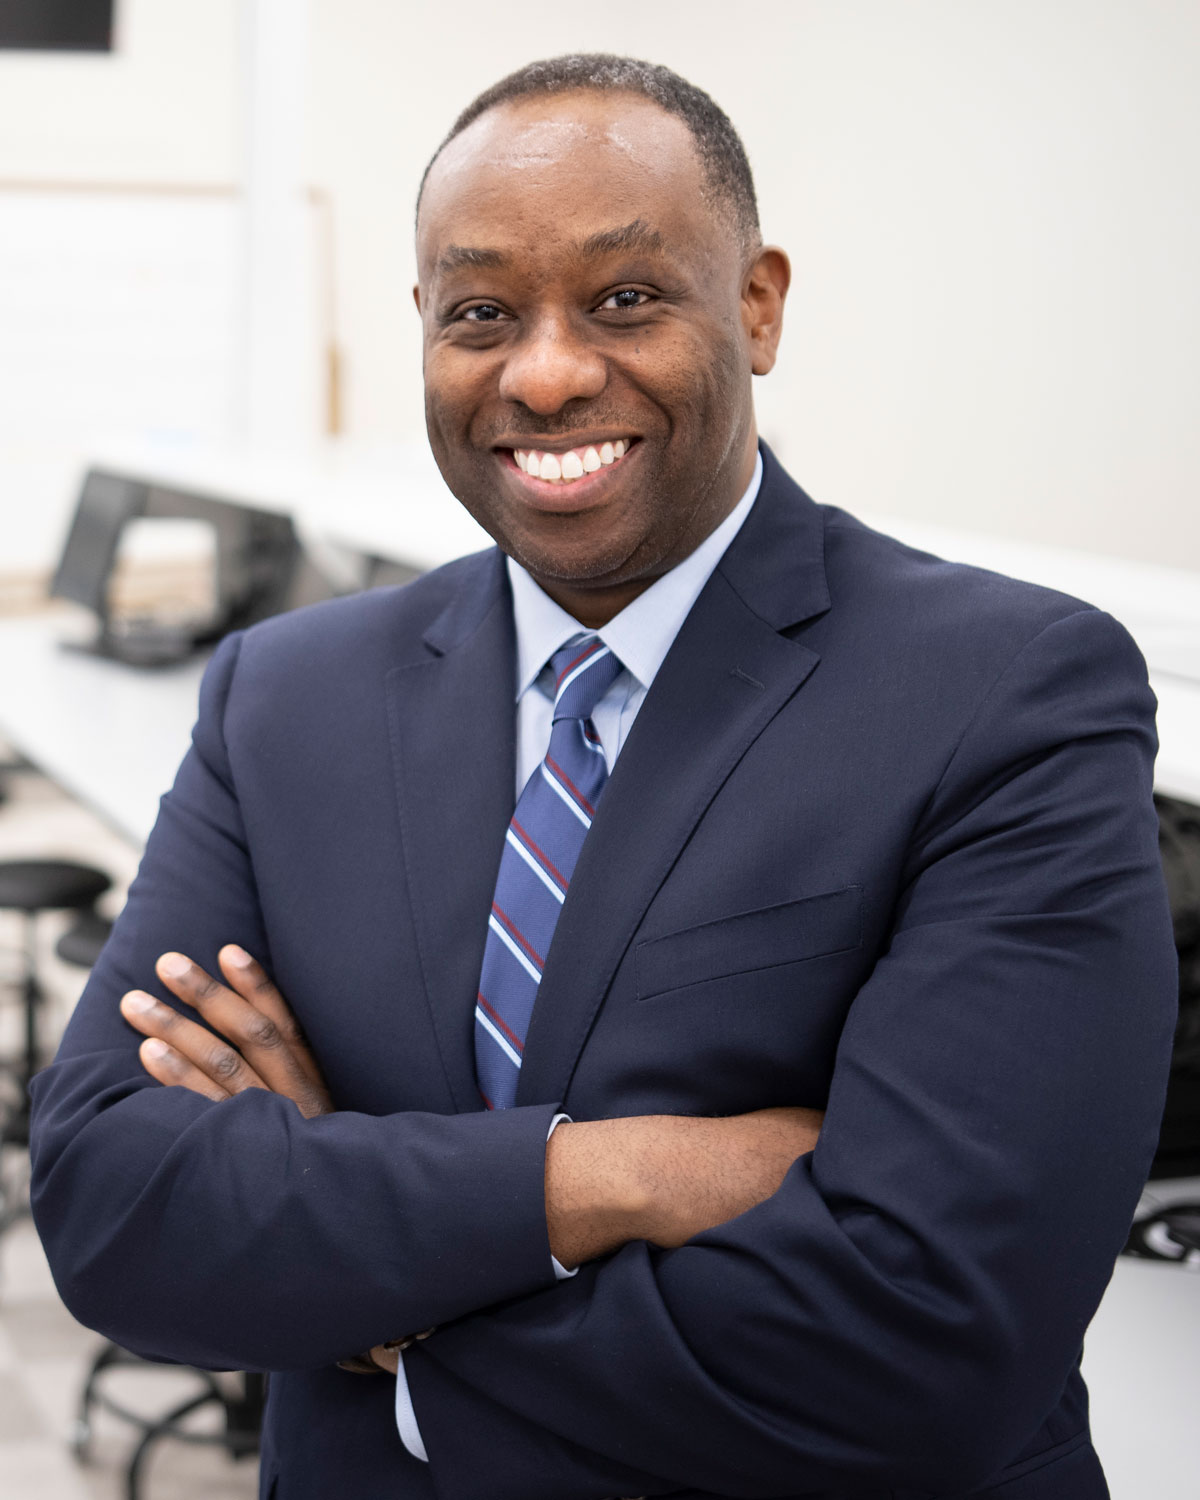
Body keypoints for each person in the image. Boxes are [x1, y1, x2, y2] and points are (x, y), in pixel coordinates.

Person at [31, 53, 1177, 1500]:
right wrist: (614, 1177)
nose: (550, 370)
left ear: (755, 306)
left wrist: (371, 1271)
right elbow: (115, 1210)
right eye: (481, 313)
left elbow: (927, 1340)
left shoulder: (1006, 696)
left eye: (627, 299)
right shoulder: (288, 698)